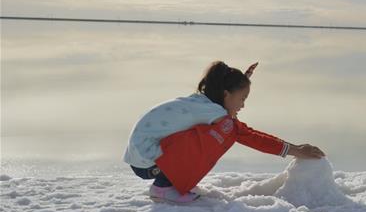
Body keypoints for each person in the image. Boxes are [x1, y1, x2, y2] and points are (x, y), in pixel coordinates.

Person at [123, 61, 324, 204]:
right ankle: (163, 187)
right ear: (226, 94)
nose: (243, 105)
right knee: (224, 134)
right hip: (147, 163)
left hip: (139, 157)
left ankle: (168, 181)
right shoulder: (215, 113)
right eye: (242, 98)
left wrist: (241, 82)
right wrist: (295, 150)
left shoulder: (201, 103)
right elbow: (246, 135)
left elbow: (235, 117)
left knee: (220, 131)